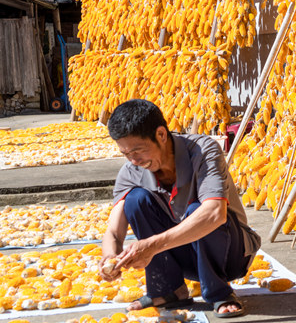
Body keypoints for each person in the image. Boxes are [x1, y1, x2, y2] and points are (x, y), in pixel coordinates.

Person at [99, 99, 261, 318]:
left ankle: (219, 292)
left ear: (161, 135)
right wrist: (110, 258)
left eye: (138, 151)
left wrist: (152, 246)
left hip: (229, 255)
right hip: (185, 256)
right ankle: (168, 291)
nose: (133, 160)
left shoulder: (204, 151)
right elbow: (113, 231)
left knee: (199, 210)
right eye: (126, 154)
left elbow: (215, 213)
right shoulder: (130, 172)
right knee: (135, 200)